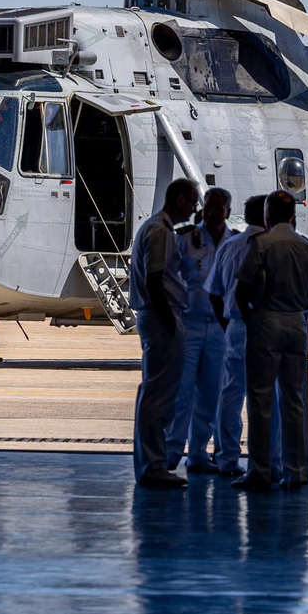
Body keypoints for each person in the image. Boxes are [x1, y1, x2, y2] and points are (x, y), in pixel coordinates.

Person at [232, 190, 308, 492]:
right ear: (293, 216)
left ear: (267, 215)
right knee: (295, 399)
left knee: (261, 399)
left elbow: (242, 289)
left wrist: (250, 318)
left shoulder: (261, 244)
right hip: (297, 321)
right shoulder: (306, 247)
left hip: (267, 319)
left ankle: (260, 469)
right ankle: (296, 469)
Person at [128, 178, 200, 489]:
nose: (195, 208)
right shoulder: (160, 231)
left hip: (158, 316)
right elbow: (156, 280)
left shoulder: (156, 228)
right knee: (159, 396)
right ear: (181, 200)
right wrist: (169, 320)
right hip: (162, 317)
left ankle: (150, 463)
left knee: (154, 393)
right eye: (193, 201)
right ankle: (153, 465)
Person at [168, 187, 233, 473]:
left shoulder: (235, 242)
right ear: (202, 209)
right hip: (190, 323)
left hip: (220, 328)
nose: (214, 212)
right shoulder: (185, 239)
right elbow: (169, 276)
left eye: (219, 208)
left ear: (228, 211)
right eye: (209, 207)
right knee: (181, 392)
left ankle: (197, 453)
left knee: (211, 394)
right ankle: (170, 452)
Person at [206, 194, 267, 477]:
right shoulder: (274, 246)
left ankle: (227, 459)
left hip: (236, 327)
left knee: (231, 395)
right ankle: (268, 462)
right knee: (270, 399)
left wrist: (227, 324)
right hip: (268, 327)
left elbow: (214, 293)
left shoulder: (229, 246)